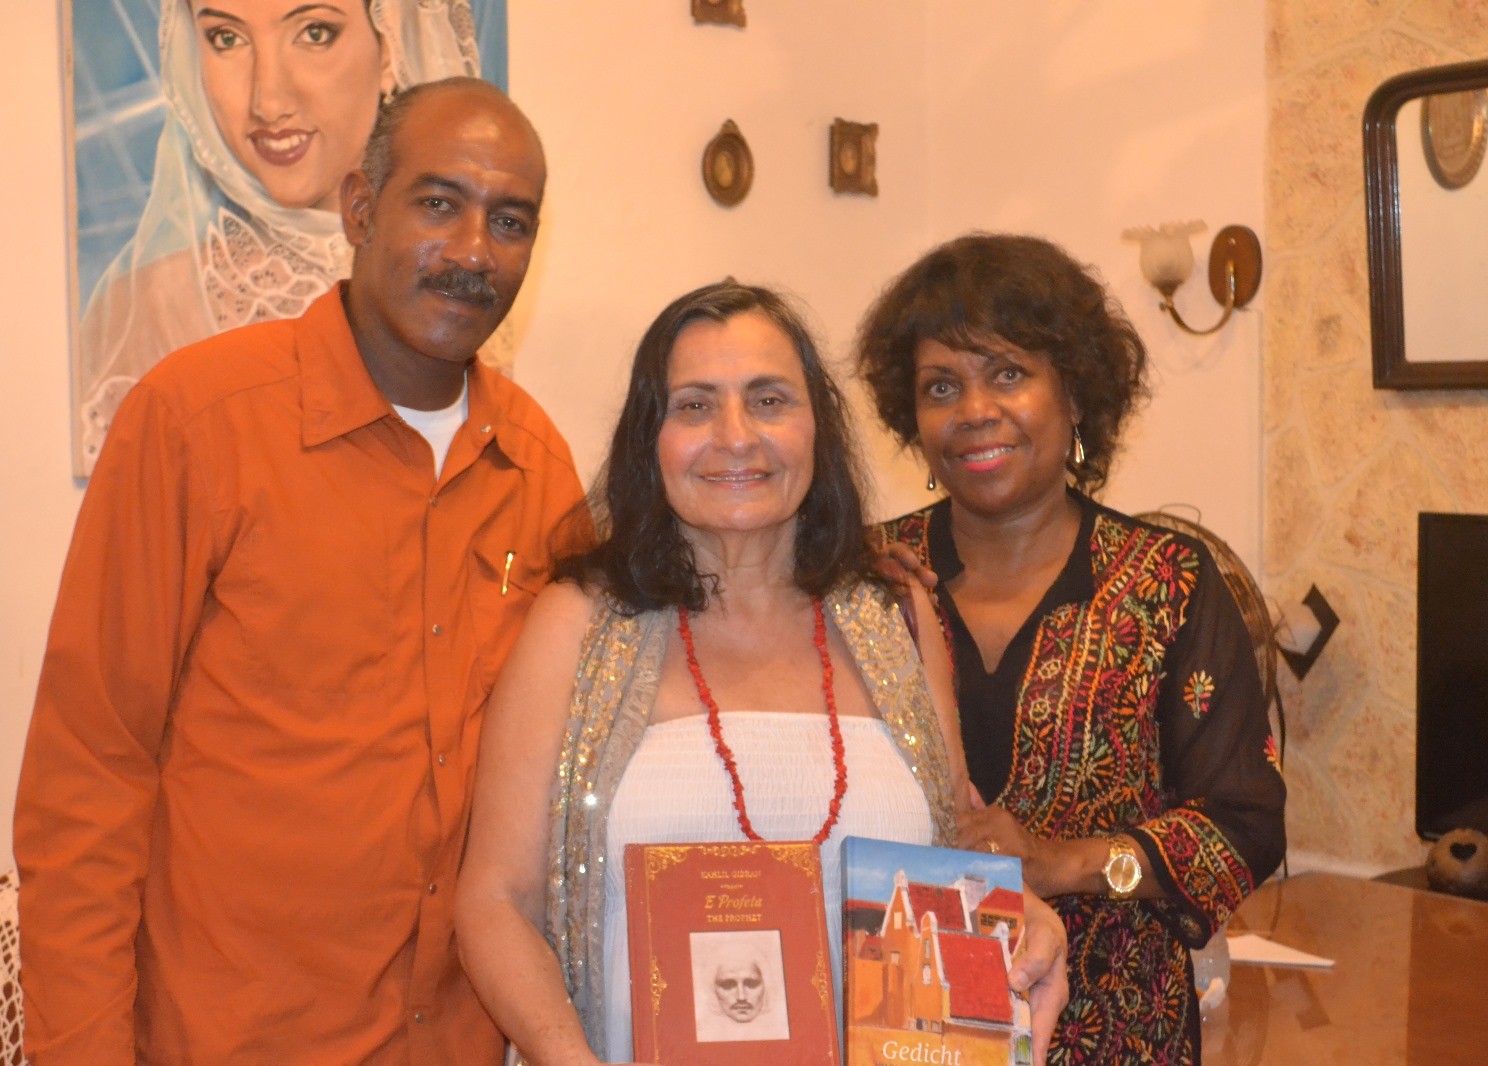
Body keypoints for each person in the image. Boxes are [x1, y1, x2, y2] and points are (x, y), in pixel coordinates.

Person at [15, 79, 583, 1063]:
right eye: (438, 203)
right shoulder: (198, 421)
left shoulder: (537, 469)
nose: (472, 252)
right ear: (360, 208)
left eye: (510, 221)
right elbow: (87, 786)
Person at [456, 281, 1068, 1066]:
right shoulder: (577, 622)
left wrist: (1026, 920)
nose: (736, 436)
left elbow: (952, 859)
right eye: (694, 406)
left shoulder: (901, 616)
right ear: (651, 438)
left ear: (818, 426)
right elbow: (494, 901)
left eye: (769, 400)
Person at [859, 233, 1287, 1064]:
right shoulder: (868, 581)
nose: (974, 410)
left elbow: (1243, 827)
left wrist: (1065, 866)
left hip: (1119, 1033)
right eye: (941, 386)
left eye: (1009, 374)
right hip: (906, 1026)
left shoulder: (1168, 581)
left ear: (1078, 393)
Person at [73, 0, 481, 475]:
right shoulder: (143, 306)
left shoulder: (467, 283)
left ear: (388, 46)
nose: (267, 101)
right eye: (227, 38)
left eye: (314, 33)